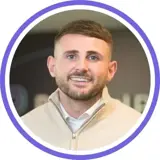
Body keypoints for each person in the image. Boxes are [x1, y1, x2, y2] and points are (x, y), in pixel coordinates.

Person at [22, 19, 141, 151]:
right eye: (71, 56)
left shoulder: (138, 127)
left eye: (93, 57)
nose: (81, 67)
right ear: (52, 66)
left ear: (110, 70)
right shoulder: (24, 127)